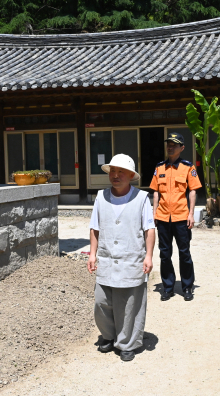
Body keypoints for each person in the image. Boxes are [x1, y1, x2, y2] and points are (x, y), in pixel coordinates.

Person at [87, 154, 156, 362]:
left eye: (121, 172)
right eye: (113, 172)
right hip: (107, 258)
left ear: (130, 175)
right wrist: (92, 253)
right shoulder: (101, 197)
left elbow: (149, 229)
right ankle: (108, 335)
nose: (115, 176)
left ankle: (127, 343)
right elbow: (95, 227)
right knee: (102, 302)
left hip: (131, 257)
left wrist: (149, 256)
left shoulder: (141, 198)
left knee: (129, 303)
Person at [150, 132, 202, 301]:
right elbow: (156, 192)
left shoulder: (188, 167)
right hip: (163, 217)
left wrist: (191, 214)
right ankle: (168, 287)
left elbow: (192, 191)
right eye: (168, 144)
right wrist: (154, 213)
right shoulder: (159, 168)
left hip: (181, 216)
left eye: (174, 144)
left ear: (182, 148)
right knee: (164, 254)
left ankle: (187, 287)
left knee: (184, 253)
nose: (170, 147)